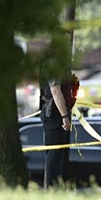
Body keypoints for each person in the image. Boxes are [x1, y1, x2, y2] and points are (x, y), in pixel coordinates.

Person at [39, 59, 76, 188]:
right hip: (54, 116)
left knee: (61, 157)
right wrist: (64, 116)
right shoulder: (52, 64)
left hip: (57, 115)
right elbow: (55, 91)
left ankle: (60, 189)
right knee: (55, 157)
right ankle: (53, 190)